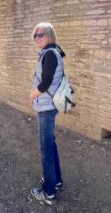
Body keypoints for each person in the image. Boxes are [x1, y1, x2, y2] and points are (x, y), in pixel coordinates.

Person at [30, 22, 65, 205]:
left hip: (46, 107)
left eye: (40, 34)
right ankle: (56, 181)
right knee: (50, 145)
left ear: (49, 34)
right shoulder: (52, 52)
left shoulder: (50, 54)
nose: (37, 38)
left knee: (46, 150)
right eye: (34, 36)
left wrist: (32, 95)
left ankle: (49, 193)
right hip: (49, 106)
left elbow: (45, 83)